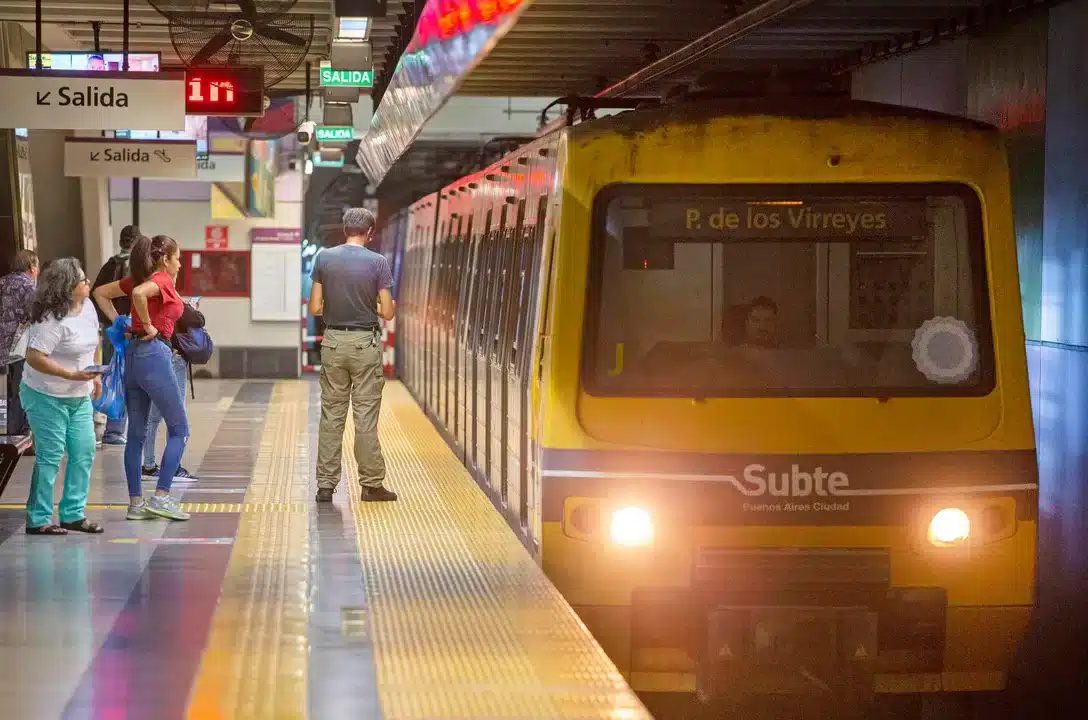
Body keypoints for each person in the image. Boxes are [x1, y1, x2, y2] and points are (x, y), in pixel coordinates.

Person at [93, 235, 190, 522]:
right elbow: (138, 296)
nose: (180, 265)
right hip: (155, 355)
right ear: (164, 259)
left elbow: (100, 293)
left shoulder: (136, 277)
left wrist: (120, 323)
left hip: (133, 356)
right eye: (178, 258)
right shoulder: (161, 279)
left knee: (135, 433)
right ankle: (161, 497)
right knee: (179, 429)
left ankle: (136, 503)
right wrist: (147, 324)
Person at [309, 207, 397, 503]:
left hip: (333, 342)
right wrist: (370, 304)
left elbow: (314, 307)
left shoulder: (324, 258)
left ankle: (325, 485)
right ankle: (371, 485)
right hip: (365, 345)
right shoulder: (378, 262)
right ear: (369, 233)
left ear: (344, 229)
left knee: (331, 416)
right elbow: (387, 311)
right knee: (365, 418)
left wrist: (335, 305)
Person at [20, 258, 103, 535]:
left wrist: (96, 373)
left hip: (78, 394)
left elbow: (95, 340)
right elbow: (34, 357)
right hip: (45, 394)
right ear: (67, 286)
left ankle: (73, 514)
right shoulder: (51, 319)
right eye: (82, 280)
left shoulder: (88, 306)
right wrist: (70, 375)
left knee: (84, 451)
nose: (87, 282)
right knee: (50, 455)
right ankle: (39, 518)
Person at [141, 293, 203, 481]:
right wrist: (189, 306)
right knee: (177, 417)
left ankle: (149, 465)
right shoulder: (172, 300)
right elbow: (199, 320)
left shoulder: (149, 301)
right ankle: (173, 467)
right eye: (175, 261)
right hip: (174, 359)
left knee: (153, 417)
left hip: (155, 356)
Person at [92, 224, 139, 445]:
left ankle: (103, 420)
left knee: (111, 375)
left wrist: (112, 319)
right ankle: (116, 430)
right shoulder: (139, 268)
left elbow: (96, 294)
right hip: (130, 329)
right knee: (127, 377)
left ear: (121, 242)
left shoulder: (109, 265)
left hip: (111, 328)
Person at [0, 249, 39, 436]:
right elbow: (36, 314)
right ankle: (19, 429)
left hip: (1, 345)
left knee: (2, 389)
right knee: (21, 386)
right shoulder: (27, 286)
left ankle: (2, 427)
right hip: (19, 345)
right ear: (32, 267)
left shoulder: (2, 282)